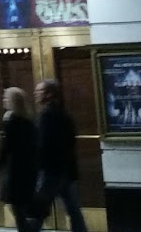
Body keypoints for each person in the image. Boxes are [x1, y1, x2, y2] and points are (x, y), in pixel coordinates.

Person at [34, 79, 89, 232]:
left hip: (50, 171)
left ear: (49, 94)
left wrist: (37, 166)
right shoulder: (64, 114)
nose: (36, 94)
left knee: (39, 209)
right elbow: (71, 139)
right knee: (73, 210)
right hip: (66, 170)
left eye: (39, 91)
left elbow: (43, 144)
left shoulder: (46, 115)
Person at [0, 87, 41, 232]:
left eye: (6, 98)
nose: (3, 100)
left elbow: (4, 151)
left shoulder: (12, 123)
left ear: (13, 102)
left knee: (19, 214)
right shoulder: (29, 122)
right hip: (29, 173)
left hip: (16, 174)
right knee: (22, 212)